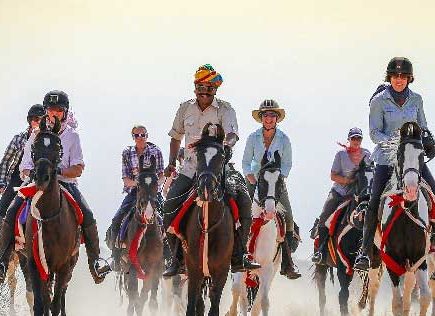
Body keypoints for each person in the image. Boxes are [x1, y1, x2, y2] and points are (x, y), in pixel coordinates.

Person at [353, 57, 435, 281]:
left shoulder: (417, 100)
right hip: (386, 159)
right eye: (395, 76)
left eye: (403, 76)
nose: (399, 80)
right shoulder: (379, 101)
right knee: (373, 202)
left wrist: (430, 140)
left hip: (413, 157)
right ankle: (364, 252)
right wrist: (394, 143)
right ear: (389, 78)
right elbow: (374, 133)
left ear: (409, 78)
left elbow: (423, 126)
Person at [0, 90, 111, 284]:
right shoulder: (36, 134)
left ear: (65, 112)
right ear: (45, 111)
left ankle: (95, 262)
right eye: (50, 110)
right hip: (36, 182)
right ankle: (2, 262)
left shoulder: (72, 136)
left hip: (65, 184)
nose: (54, 114)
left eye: (58, 111)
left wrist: (58, 174)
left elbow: (78, 168)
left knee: (87, 214)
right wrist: (35, 174)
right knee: (11, 211)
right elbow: (25, 165)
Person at [162, 64, 260, 278]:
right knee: (168, 205)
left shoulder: (226, 109)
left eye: (208, 87)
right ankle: (175, 258)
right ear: (195, 87)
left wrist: (225, 145)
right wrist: (171, 162)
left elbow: (233, 134)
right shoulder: (184, 108)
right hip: (190, 169)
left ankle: (239, 254)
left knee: (243, 200)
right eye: (200, 86)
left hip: (218, 168)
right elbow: (175, 137)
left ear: (215, 89)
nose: (203, 91)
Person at [242, 99, 301, 279]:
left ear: (277, 118)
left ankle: (287, 262)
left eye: (272, 115)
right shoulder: (253, 138)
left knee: (288, 218)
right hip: (255, 181)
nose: (269, 118)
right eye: (266, 115)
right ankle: (237, 253)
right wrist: (250, 177)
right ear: (261, 118)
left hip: (275, 183)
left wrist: (278, 179)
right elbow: (245, 162)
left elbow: (287, 164)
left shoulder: (284, 139)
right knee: (240, 214)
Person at [0, 104, 45, 258]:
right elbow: (6, 162)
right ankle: (2, 252)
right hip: (18, 179)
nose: (38, 122)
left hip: (41, 180)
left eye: (42, 120)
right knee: (3, 209)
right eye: (35, 119)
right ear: (29, 121)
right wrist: (1, 183)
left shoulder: (47, 139)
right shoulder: (19, 139)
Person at [312, 127, 371, 264]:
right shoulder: (341, 155)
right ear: (349, 139)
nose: (356, 141)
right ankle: (320, 250)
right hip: (340, 192)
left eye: (359, 138)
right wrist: (349, 181)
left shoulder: (367, 154)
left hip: (360, 194)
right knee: (325, 216)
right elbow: (333, 175)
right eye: (353, 138)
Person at [107, 124, 164, 263]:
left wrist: (154, 184)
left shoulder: (156, 151)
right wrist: (138, 183)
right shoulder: (127, 152)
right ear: (133, 137)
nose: (140, 138)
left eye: (142, 135)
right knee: (117, 219)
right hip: (134, 193)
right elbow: (126, 179)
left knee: (168, 218)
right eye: (137, 135)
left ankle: (169, 257)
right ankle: (116, 255)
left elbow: (162, 174)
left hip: (152, 192)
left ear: (147, 136)